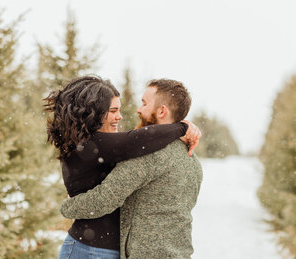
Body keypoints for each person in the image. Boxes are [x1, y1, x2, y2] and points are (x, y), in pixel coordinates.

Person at [44, 76, 200, 259]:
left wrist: (180, 126)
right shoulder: (91, 144)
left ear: (162, 110)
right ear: (94, 113)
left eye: (143, 104)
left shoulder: (124, 149)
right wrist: (182, 126)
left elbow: (139, 140)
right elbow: (137, 139)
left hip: (100, 249)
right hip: (91, 250)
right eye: (113, 110)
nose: (123, 115)